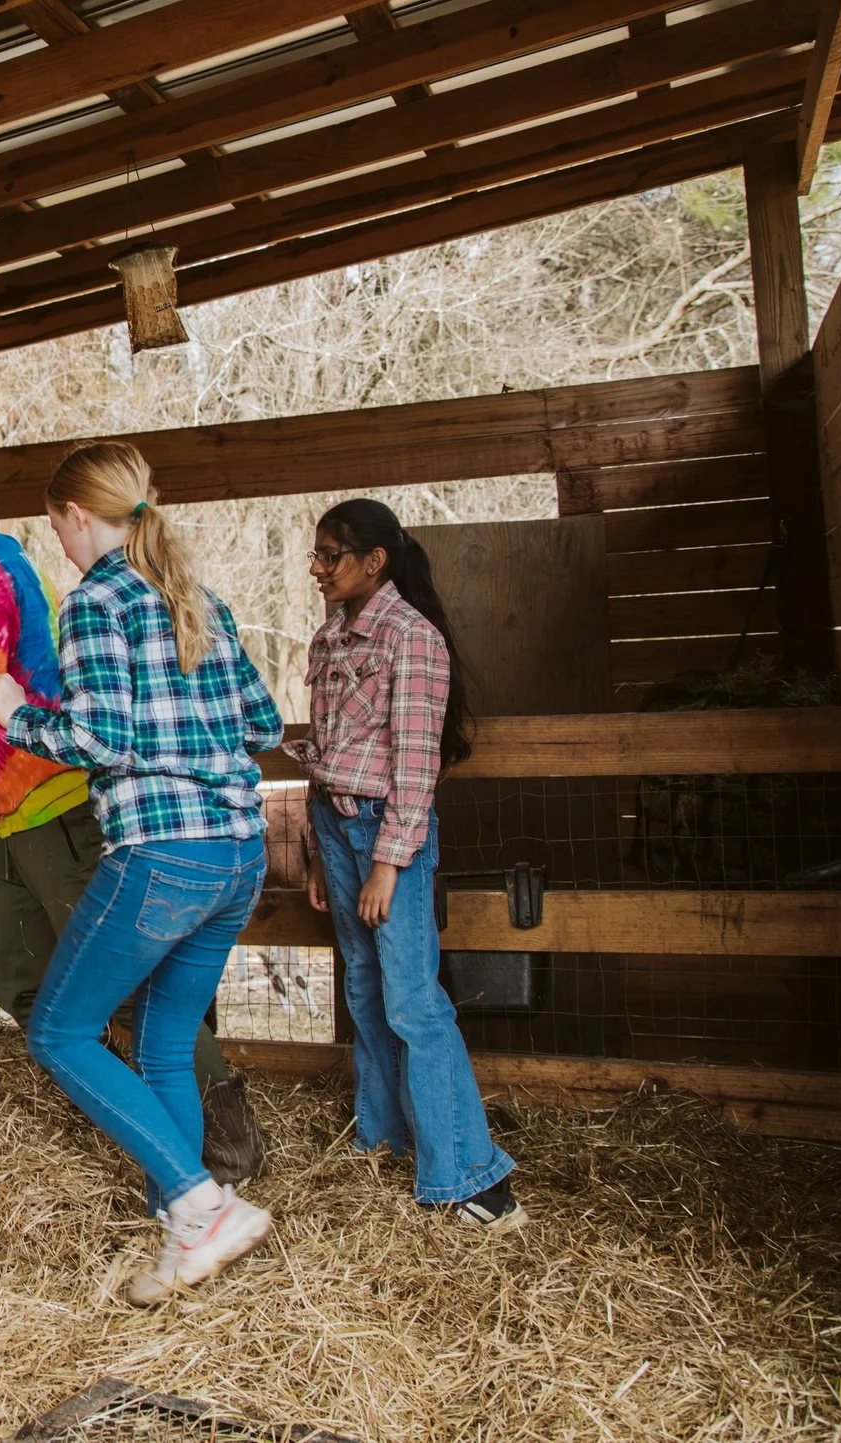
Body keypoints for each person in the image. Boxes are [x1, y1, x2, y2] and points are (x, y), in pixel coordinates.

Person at [0, 432, 262, 1184]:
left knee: (132, 987)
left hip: (48, 797)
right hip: (11, 809)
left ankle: (223, 1144)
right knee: (10, 966)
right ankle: (129, 1103)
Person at [0, 441, 283, 1305]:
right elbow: (259, 720)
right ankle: (187, 1240)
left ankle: (197, 1202)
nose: (61, 546)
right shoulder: (198, 599)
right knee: (160, 1043)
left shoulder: (97, 600)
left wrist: (12, 711)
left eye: (57, 528)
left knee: (60, 1033)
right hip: (235, 853)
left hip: (161, 853)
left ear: (76, 516)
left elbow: (97, 738)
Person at [290, 499, 524, 1231]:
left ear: (374, 561)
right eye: (317, 554)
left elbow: (417, 763)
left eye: (332, 555)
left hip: (390, 832)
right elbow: (323, 751)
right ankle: (386, 1136)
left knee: (412, 1000)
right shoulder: (330, 637)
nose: (318, 568)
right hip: (337, 823)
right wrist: (318, 854)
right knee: (363, 988)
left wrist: (390, 862)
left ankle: (475, 1180)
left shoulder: (411, 637)